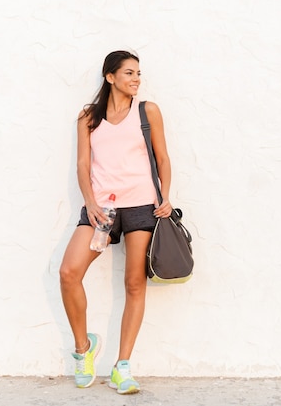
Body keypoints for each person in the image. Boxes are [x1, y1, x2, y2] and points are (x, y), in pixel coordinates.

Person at [59, 50, 172, 395]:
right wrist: (89, 202)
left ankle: (122, 366)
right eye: (128, 73)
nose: (136, 79)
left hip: (142, 207)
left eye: (139, 73)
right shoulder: (88, 117)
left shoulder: (147, 111)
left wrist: (165, 197)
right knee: (68, 273)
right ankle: (84, 349)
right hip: (102, 210)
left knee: (134, 283)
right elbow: (83, 165)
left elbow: (163, 158)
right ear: (110, 77)